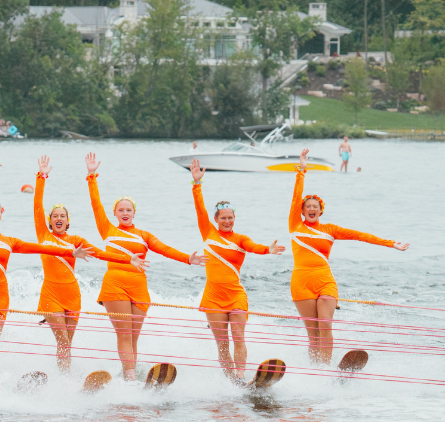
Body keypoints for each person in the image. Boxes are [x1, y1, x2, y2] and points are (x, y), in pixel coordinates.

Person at [0, 151, 93, 374]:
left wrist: (124, 259)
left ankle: (61, 380)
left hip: (1, 294)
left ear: (1, 214)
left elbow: (41, 248)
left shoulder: (9, 241)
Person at [85, 152, 205, 381]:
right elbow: (95, 204)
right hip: (115, 285)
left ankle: (129, 374)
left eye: (128, 210)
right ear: (115, 213)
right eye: (121, 210)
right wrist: (92, 176)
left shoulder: (144, 235)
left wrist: (188, 259)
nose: (125, 213)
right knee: (124, 334)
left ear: (134, 213)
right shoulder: (108, 230)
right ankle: (130, 379)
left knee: (134, 337)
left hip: (140, 288)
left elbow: (165, 249)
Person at [289, 149, 408, 365]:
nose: (312, 209)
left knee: (325, 326)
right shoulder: (295, 226)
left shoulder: (330, 229)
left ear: (320, 211)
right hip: (301, 284)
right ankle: (314, 371)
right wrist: (302, 171)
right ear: (302, 211)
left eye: (316, 206)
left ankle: (325, 370)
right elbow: (297, 195)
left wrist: (391, 244)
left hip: (325, 282)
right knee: (313, 334)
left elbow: (359, 235)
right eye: (308, 207)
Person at [33, 155, 147, 373]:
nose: (59, 218)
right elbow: (37, 205)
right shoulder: (43, 235)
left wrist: (128, 259)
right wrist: (42, 177)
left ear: (68, 220)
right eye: (55, 216)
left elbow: (101, 254)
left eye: (62, 216)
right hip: (50, 295)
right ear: (49, 220)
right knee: (63, 341)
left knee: (67, 343)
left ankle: (65, 377)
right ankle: (63, 379)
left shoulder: (77, 241)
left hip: (72, 295)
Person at [189, 159, 286, 383]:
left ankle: (242, 376)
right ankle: (231, 380)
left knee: (238, 337)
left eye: (231, 217)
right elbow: (199, 207)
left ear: (234, 218)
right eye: (223, 218)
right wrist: (197, 183)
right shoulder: (208, 232)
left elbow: (253, 247)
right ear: (216, 219)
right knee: (222, 343)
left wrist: (267, 249)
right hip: (213, 297)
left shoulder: (240, 238)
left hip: (235, 296)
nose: (227, 221)